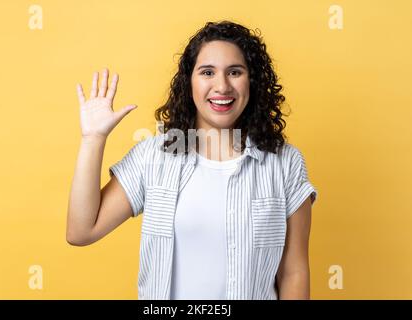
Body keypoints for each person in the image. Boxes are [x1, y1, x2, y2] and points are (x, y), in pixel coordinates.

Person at [66, 20, 318, 300]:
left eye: (235, 72)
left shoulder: (285, 164)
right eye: (207, 72)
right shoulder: (154, 156)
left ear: (252, 81)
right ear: (190, 82)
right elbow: (81, 231)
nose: (221, 86)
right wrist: (92, 139)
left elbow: (293, 272)